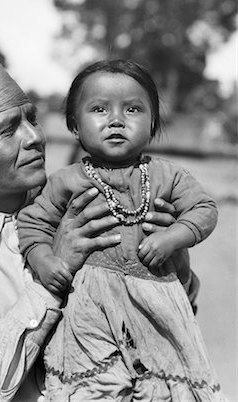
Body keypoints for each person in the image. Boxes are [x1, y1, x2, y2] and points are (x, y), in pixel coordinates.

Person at [0, 38, 179, 402]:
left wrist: (167, 260)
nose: (35, 138)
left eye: (32, 119)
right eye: (8, 130)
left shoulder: (82, 207)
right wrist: (51, 280)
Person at [18, 59, 225, 401]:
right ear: (74, 125)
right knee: (94, 387)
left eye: (132, 109)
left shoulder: (168, 176)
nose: (116, 120)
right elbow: (33, 223)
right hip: (88, 307)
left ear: (153, 122)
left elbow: (205, 210)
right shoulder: (66, 181)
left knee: (165, 383)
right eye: (99, 109)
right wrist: (43, 259)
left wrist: (173, 236)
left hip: (154, 300)